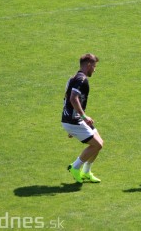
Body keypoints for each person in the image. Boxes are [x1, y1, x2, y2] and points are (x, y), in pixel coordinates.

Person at [61, 53, 104, 183]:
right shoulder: (81, 79)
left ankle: (86, 172)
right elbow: (72, 98)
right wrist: (83, 117)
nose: (95, 70)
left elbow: (65, 100)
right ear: (89, 65)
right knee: (96, 145)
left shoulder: (74, 77)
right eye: (94, 66)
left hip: (73, 119)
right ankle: (75, 167)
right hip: (74, 120)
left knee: (99, 143)